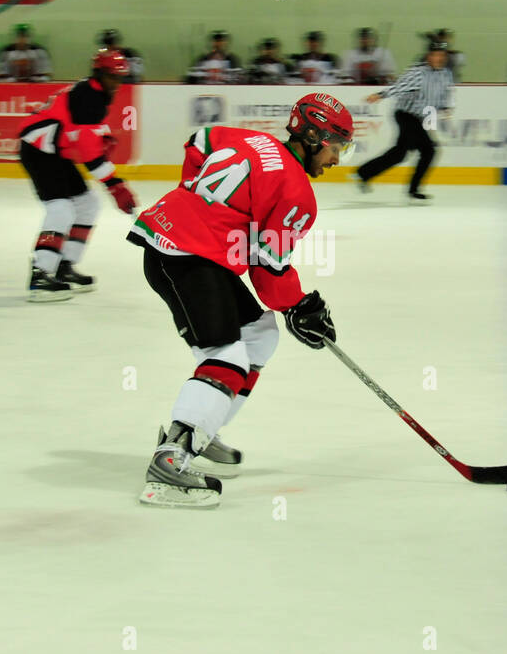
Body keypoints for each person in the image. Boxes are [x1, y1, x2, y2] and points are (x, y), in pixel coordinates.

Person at [127, 92, 354, 508]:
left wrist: (193, 199)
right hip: (186, 257)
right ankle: (171, 461)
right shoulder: (298, 194)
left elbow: (198, 141)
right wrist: (301, 306)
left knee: (259, 335)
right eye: (336, 147)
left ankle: (202, 429)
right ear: (314, 136)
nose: (337, 159)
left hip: (171, 242)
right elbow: (268, 274)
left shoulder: (250, 139)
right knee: (228, 357)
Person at [17, 49, 138, 302]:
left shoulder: (95, 94)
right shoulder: (89, 97)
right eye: (113, 77)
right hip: (38, 151)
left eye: (120, 78)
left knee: (87, 204)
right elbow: (89, 155)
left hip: (55, 152)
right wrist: (116, 186)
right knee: (60, 209)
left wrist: (102, 137)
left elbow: (85, 137)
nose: (117, 84)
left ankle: (64, 266)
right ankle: (40, 273)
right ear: (100, 74)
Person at [355, 38, 454, 202]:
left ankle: (364, 173)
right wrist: (380, 95)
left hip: (420, 117)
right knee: (427, 150)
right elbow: (398, 87)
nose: (440, 58)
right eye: (436, 54)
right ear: (429, 56)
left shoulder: (446, 75)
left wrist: (444, 108)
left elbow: (444, 96)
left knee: (402, 153)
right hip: (405, 114)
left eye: (442, 55)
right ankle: (412, 190)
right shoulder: (418, 73)